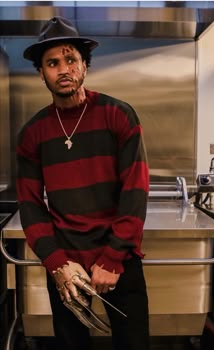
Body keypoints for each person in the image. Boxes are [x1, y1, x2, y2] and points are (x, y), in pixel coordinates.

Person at [16, 16, 150, 350]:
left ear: (84, 66)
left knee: (133, 344)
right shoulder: (33, 134)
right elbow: (31, 206)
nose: (63, 69)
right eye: (52, 63)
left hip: (118, 261)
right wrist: (57, 263)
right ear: (41, 72)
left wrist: (112, 258)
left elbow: (135, 191)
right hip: (66, 263)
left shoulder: (118, 115)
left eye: (71, 59)